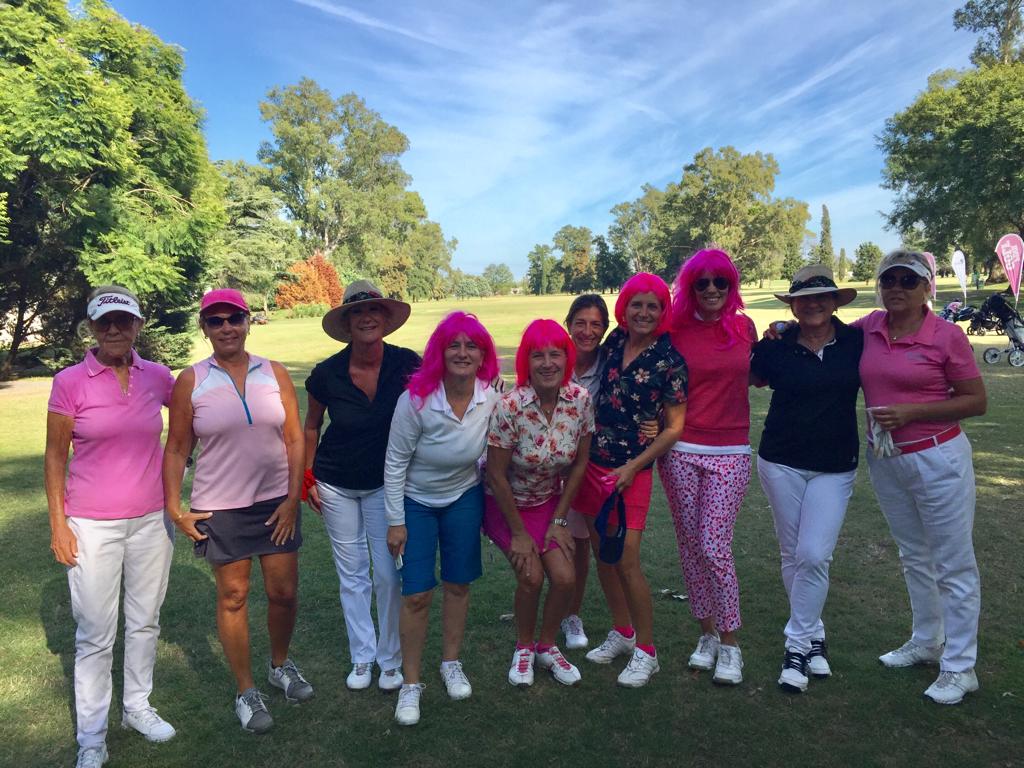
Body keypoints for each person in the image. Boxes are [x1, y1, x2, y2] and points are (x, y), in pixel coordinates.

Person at [163, 288, 310, 734]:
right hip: (220, 507)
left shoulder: (274, 372)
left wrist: (293, 498)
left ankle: (280, 666)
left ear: (248, 322)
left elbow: (294, 438)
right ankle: (246, 690)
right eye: (216, 320)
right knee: (233, 596)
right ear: (204, 328)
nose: (226, 327)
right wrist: (174, 507)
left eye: (234, 319)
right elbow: (177, 448)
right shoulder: (191, 379)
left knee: (283, 592)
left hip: (276, 502)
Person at [45, 286, 177, 768]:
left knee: (144, 621)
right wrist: (59, 525)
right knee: (96, 634)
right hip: (91, 524)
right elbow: (55, 457)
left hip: (152, 520)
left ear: (138, 324)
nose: (115, 329)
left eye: (124, 320)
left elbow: (191, 424)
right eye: (105, 322)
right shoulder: (69, 381)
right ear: (92, 328)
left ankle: (137, 707)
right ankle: (92, 738)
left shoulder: (157, 376)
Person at [861, 251, 986, 705]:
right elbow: (825, 334)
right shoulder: (870, 327)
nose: (896, 288)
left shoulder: (946, 335)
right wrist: (782, 329)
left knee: (953, 563)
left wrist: (913, 412)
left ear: (926, 287)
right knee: (914, 555)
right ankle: (927, 640)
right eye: (889, 280)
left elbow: (976, 401)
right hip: (887, 459)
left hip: (938, 458)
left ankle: (960, 667)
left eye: (908, 281)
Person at [383, 312, 502, 726]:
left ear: (483, 355)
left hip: (463, 497)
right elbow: (395, 463)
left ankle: (451, 662)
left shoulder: (492, 396)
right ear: (440, 352)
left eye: (472, 346)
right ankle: (411, 683)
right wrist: (396, 521)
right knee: (416, 593)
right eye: (454, 345)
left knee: (458, 584)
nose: (463, 353)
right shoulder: (416, 400)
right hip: (415, 501)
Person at [571, 273, 688, 687]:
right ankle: (623, 631)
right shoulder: (616, 342)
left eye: (653, 306)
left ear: (663, 311)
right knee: (604, 555)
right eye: (636, 304)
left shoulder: (670, 361)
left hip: (630, 472)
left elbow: (673, 428)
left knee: (627, 560)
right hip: (593, 465)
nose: (643, 312)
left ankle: (647, 651)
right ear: (625, 308)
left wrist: (633, 467)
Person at [750, 265, 862, 693]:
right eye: (804, 299)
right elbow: (750, 377)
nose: (813, 304)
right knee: (793, 553)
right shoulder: (774, 346)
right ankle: (813, 636)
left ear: (834, 302)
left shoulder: (856, 341)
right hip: (781, 461)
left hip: (835, 464)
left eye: (822, 297)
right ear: (793, 306)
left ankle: (796, 646)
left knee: (814, 555)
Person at [303, 280, 419, 693]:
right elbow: (312, 426)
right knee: (352, 573)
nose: (366, 318)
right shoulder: (327, 373)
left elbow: (436, 405)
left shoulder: (408, 364)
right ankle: (362, 655)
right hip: (335, 482)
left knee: (387, 573)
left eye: (373, 310)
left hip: (386, 484)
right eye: (357, 312)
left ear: (385, 318)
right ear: (347, 322)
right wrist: (307, 476)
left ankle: (390, 659)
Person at [657, 249, 757, 686]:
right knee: (690, 545)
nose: (712, 289)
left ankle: (731, 644)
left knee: (714, 545)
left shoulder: (744, 328)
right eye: (703, 283)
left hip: (730, 450)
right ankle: (708, 634)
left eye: (721, 282)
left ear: (731, 286)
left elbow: (761, 373)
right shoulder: (674, 331)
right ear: (691, 287)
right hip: (681, 448)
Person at [484, 319, 595, 689]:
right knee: (531, 577)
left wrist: (560, 521)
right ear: (526, 362)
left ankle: (547, 646)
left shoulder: (580, 400)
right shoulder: (510, 407)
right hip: (505, 505)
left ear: (567, 358)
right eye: (538, 356)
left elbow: (579, 463)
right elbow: (496, 475)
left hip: (548, 502)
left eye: (555, 354)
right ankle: (524, 647)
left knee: (565, 578)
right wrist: (518, 534)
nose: (548, 363)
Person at [559, 294, 610, 650]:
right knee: (565, 541)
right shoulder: (555, 359)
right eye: (580, 323)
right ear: (568, 325)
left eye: (595, 324)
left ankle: (573, 614)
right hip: (555, 466)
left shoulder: (613, 361)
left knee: (588, 542)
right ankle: (564, 611)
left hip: (595, 464)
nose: (587, 331)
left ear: (605, 329)